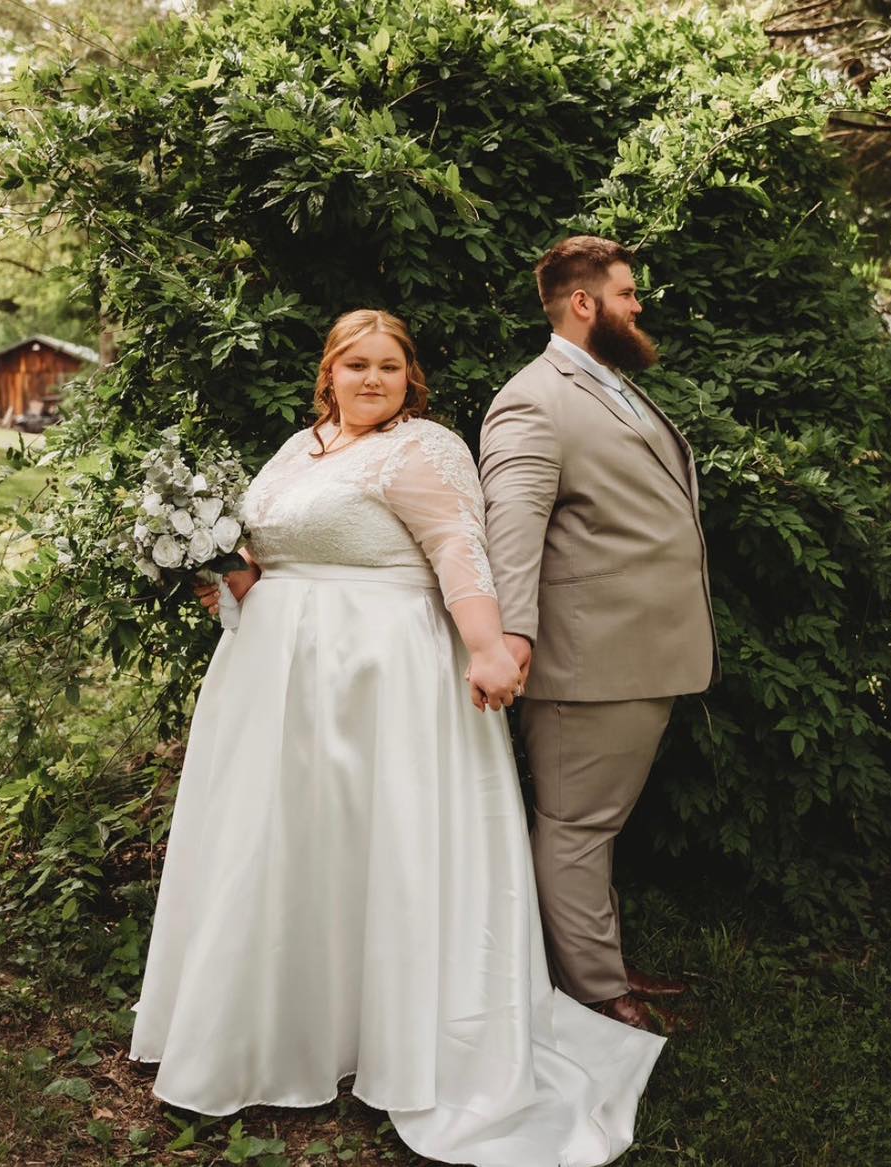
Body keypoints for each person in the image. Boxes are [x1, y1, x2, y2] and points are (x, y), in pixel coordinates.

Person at [129, 309, 665, 1166]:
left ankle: (404, 1035)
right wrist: (233, 579)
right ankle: (279, 1029)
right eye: (356, 365)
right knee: (286, 849)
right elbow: (269, 549)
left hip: (382, 678)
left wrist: (489, 646)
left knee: (384, 846)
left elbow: (460, 549)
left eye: (387, 366)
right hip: (278, 679)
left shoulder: (426, 448)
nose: (372, 380)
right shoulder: (297, 449)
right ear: (329, 373)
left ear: (408, 376)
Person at [479, 236, 719, 1033]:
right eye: (627, 291)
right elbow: (512, 526)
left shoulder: (605, 383)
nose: (638, 303)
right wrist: (513, 637)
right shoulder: (532, 398)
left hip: (635, 651)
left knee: (598, 823)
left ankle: (602, 960)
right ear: (584, 303)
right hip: (589, 660)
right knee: (577, 826)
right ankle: (592, 992)